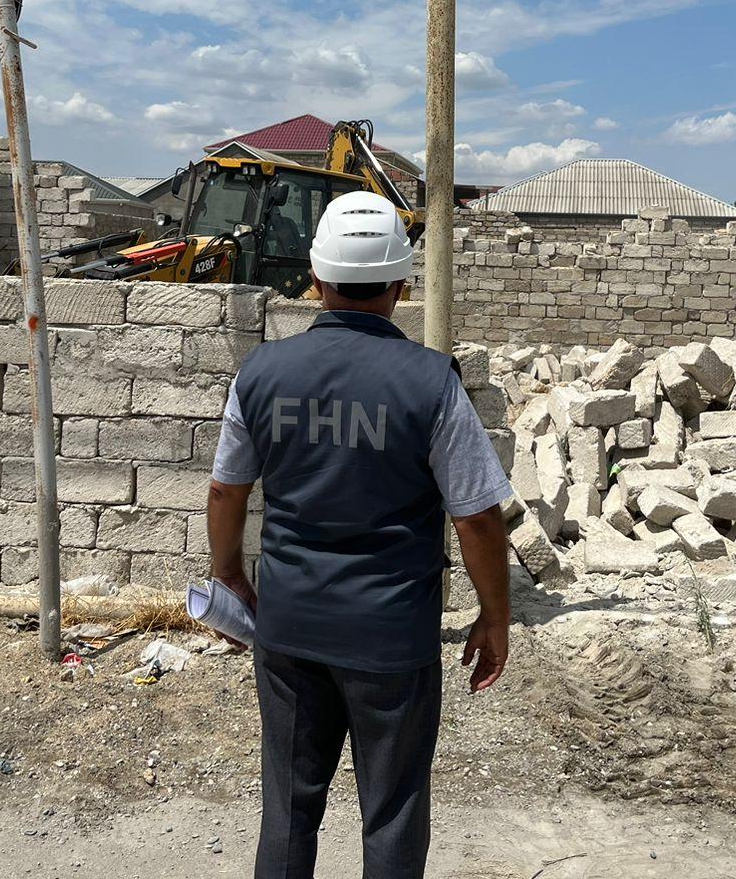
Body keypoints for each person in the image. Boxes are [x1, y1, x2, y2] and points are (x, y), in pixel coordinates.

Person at [204, 189, 514, 879]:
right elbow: (475, 516)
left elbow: (226, 488)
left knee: (288, 809)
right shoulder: (431, 383)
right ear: (401, 286)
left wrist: (229, 576)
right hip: (390, 639)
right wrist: (494, 615)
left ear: (316, 279)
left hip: (289, 628)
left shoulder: (260, 373)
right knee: (393, 809)